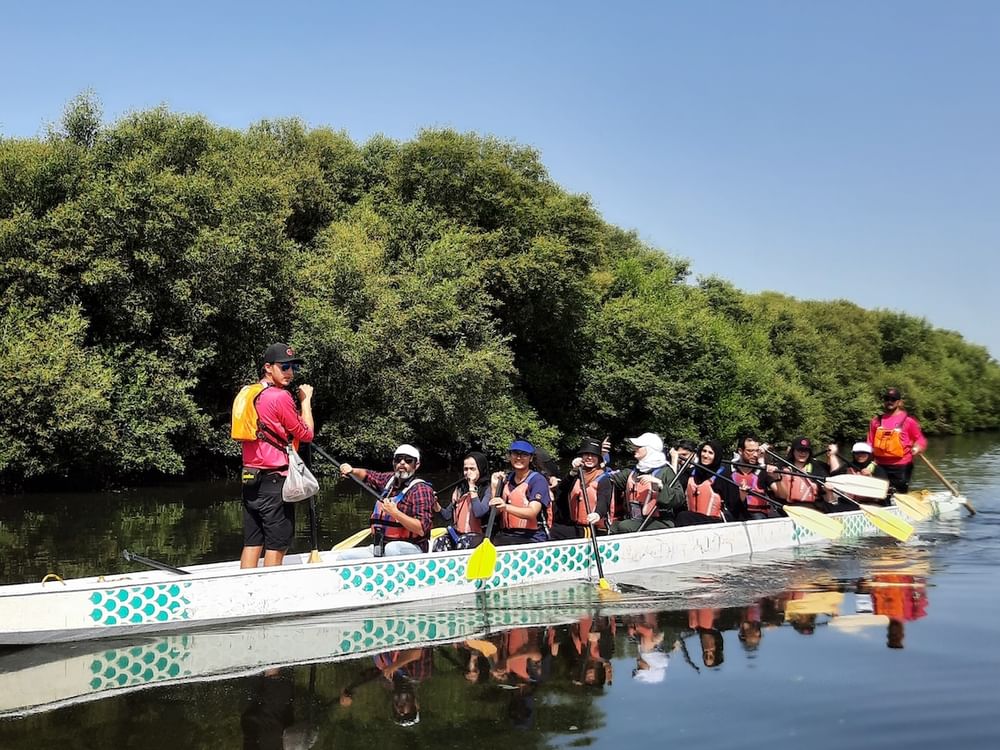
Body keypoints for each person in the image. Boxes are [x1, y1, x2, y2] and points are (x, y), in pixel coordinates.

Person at [237, 342, 315, 570]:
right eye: (285, 367)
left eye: (293, 367)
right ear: (268, 368)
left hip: (249, 478)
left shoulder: (249, 393)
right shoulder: (279, 397)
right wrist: (305, 401)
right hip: (274, 481)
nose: (290, 372)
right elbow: (305, 434)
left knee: (253, 541)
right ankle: (267, 597)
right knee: (277, 543)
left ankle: (247, 589)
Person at [337, 444, 435, 558]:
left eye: (408, 460)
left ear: (416, 465)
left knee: (392, 549)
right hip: (381, 546)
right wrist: (352, 470)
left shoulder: (421, 490)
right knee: (344, 557)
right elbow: (367, 475)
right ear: (394, 462)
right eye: (398, 459)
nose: (402, 463)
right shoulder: (389, 480)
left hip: (413, 549)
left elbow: (422, 529)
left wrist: (395, 513)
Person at [607, 432, 684, 532]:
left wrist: (660, 486)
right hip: (635, 519)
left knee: (624, 526)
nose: (635, 449)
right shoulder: (633, 471)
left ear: (649, 449)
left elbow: (679, 499)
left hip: (659, 521)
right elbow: (608, 479)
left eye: (639, 446)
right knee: (613, 527)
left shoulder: (665, 471)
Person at [485, 440, 553, 546]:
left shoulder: (538, 480)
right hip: (507, 534)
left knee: (499, 544)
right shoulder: (507, 479)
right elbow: (496, 512)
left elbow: (532, 512)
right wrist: (494, 488)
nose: (519, 458)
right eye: (515, 453)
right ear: (510, 456)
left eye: (524, 455)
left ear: (530, 458)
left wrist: (506, 507)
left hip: (532, 536)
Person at [550, 437, 613, 540]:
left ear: (599, 459)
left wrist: (597, 514)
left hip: (594, 529)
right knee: (553, 528)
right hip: (576, 525)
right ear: (581, 457)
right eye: (586, 454)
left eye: (593, 455)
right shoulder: (577, 475)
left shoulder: (603, 479)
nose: (589, 457)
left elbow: (604, 500)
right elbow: (561, 490)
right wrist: (572, 472)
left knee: (555, 532)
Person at [867, 387, 928, 493]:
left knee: (898, 492)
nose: (889, 402)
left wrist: (917, 447)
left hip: (902, 465)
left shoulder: (908, 421)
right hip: (880, 465)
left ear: (899, 402)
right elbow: (870, 443)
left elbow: (920, 439)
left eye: (893, 399)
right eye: (887, 399)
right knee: (880, 493)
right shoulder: (875, 421)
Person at [432, 451, 490, 551]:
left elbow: (479, 513)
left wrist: (472, 487)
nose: (468, 472)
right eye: (466, 469)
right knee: (440, 542)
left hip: (479, 536)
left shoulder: (488, 489)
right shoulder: (460, 489)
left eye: (472, 469)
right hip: (458, 534)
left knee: (463, 543)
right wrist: (435, 504)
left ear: (481, 469)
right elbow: (447, 516)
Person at [761, 437, 835, 513]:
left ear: (809, 452)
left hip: (814, 509)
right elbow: (781, 495)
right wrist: (777, 477)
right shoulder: (781, 467)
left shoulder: (819, 468)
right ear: (793, 451)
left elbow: (834, 473)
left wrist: (831, 456)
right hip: (789, 509)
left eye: (806, 450)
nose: (803, 453)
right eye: (799, 450)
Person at [676, 441, 738, 526]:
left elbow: (734, 505)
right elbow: (675, 490)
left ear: (716, 456)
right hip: (693, 519)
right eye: (704, 451)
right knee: (680, 515)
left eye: (710, 453)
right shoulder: (690, 473)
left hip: (714, 522)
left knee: (683, 517)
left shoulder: (723, 477)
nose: (705, 455)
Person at [721, 435, 770, 520]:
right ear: (740, 451)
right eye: (750, 451)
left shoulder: (764, 470)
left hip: (757, 514)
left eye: (757, 451)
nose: (755, 455)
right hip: (733, 512)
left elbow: (780, 493)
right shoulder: (727, 469)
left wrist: (777, 477)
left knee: (757, 518)